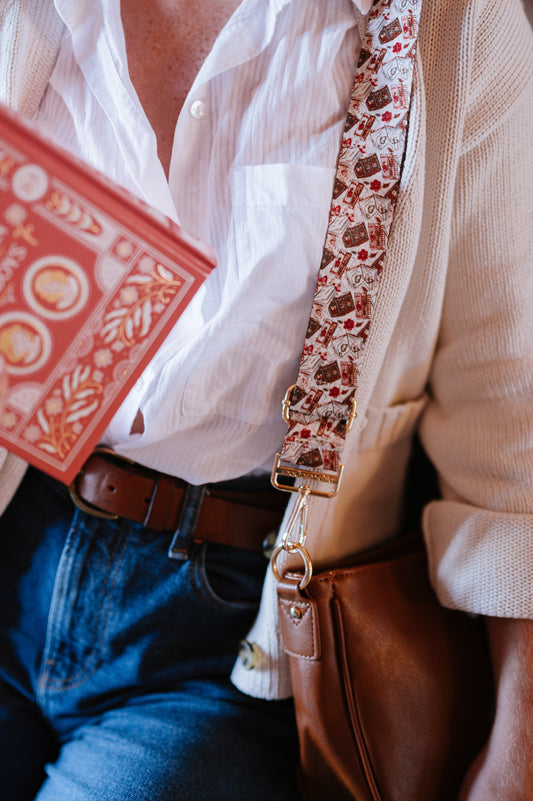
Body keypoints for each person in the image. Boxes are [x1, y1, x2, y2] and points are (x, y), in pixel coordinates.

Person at [0, 0, 532, 799]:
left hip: (225, 632)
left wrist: (517, 758)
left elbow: (510, 416)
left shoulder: (451, 26)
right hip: (17, 520)